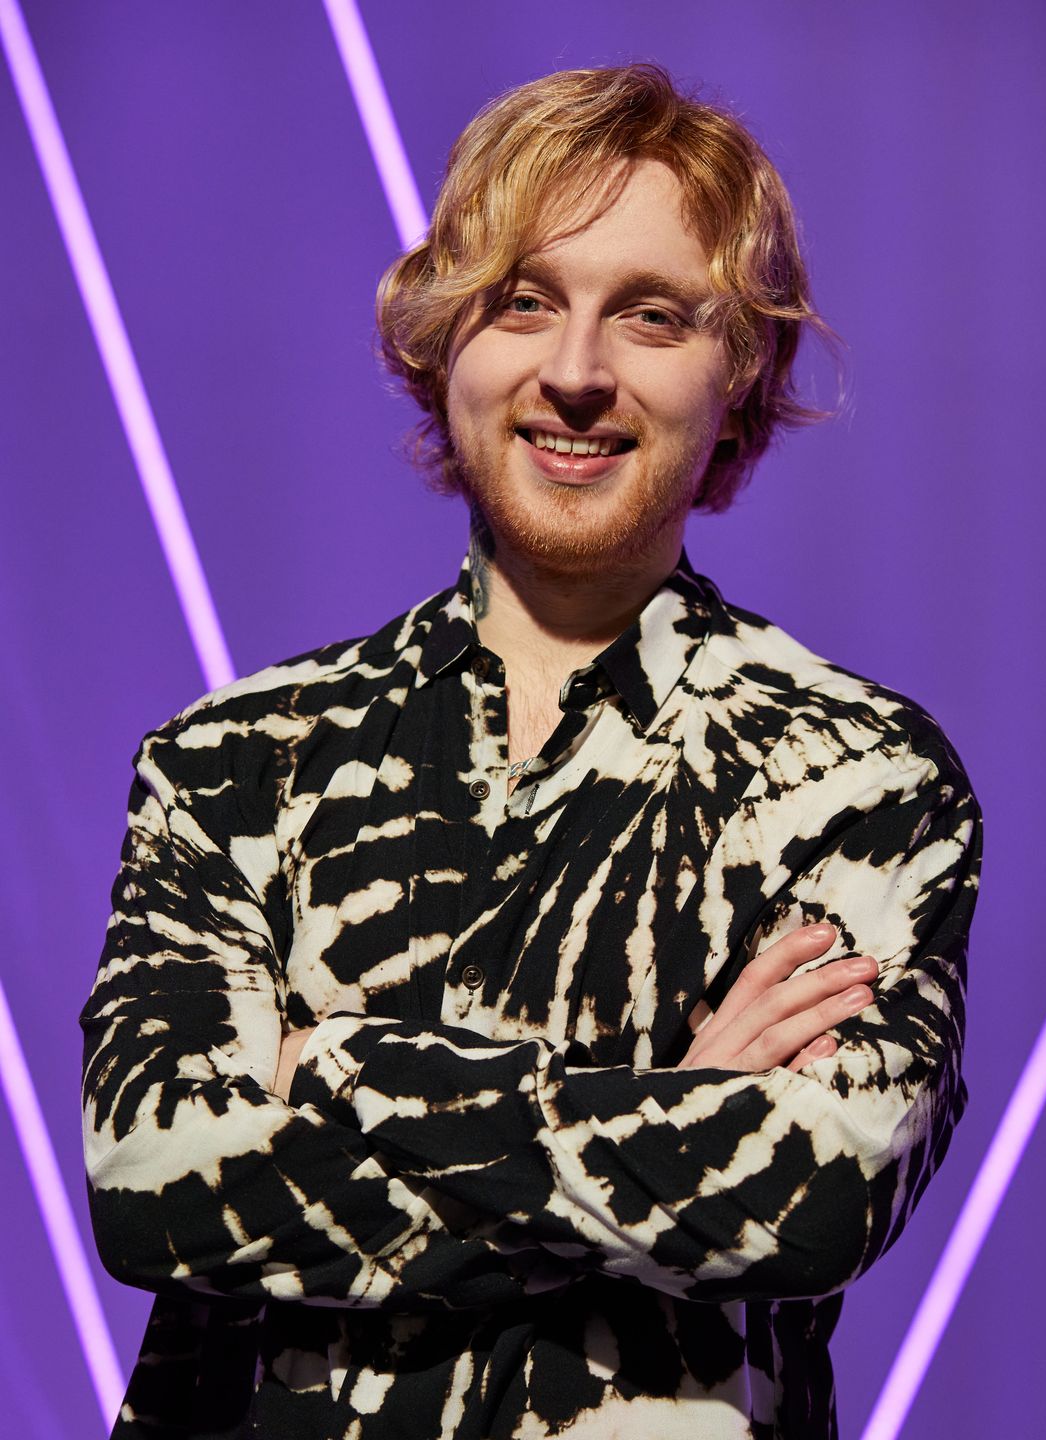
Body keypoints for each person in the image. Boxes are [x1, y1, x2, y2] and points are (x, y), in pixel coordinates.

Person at [81, 63, 981, 1440]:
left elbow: (814, 1197)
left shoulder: (860, 775)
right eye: (523, 302)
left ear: (738, 389)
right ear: (444, 348)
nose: (575, 372)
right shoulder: (232, 762)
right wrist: (676, 1104)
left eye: (651, 315)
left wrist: (321, 1068)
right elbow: (150, 1182)